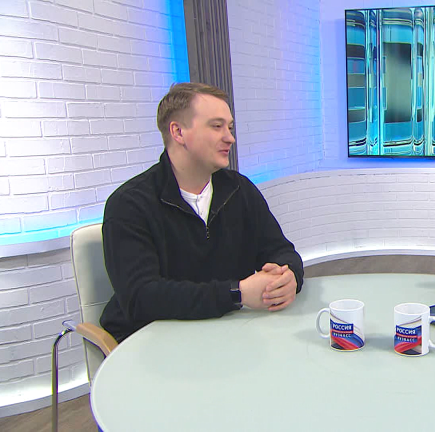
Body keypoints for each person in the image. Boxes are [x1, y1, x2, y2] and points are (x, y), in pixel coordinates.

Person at [100, 82, 303, 342]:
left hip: (228, 334)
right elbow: (141, 298)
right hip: (153, 344)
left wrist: (289, 277)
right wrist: (236, 293)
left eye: (229, 127)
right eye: (217, 126)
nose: (230, 138)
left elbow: (281, 251)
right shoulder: (129, 204)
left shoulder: (240, 190)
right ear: (178, 132)